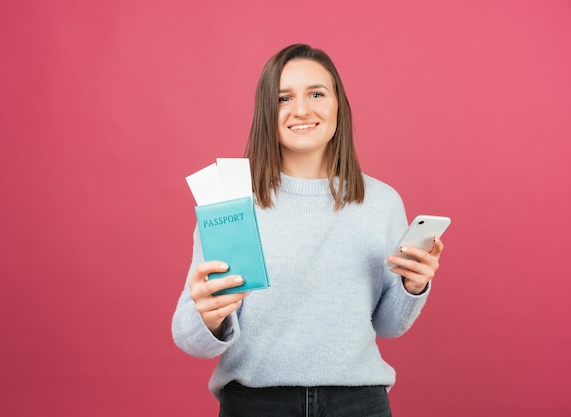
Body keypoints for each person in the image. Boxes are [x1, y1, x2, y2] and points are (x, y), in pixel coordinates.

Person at [172, 44, 445, 417]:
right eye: (284, 98)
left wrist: (413, 287)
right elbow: (192, 340)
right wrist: (208, 315)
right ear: (267, 112)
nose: (302, 109)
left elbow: (388, 326)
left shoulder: (381, 202)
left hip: (359, 404)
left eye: (317, 93)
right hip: (255, 404)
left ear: (339, 106)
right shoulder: (231, 200)